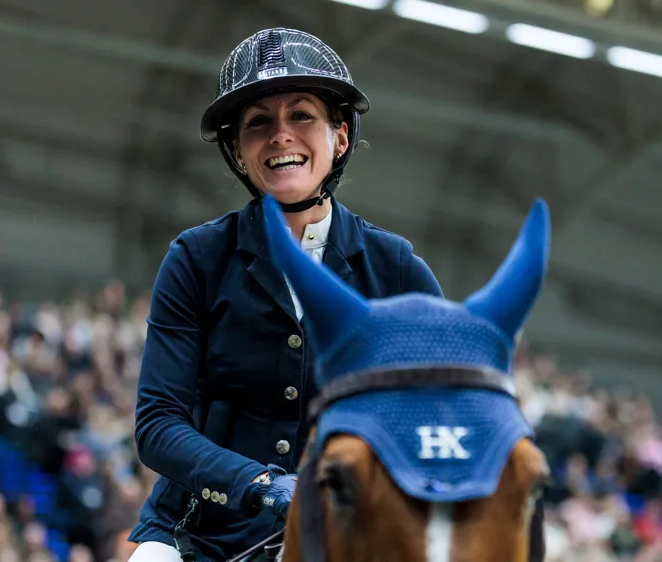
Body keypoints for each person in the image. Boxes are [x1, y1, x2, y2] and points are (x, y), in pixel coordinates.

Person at [126, 27, 444, 562]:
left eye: (301, 115)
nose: (280, 135)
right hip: (198, 536)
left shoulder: (397, 270)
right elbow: (157, 425)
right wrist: (260, 485)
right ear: (237, 150)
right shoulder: (196, 258)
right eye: (258, 123)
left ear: (339, 137)